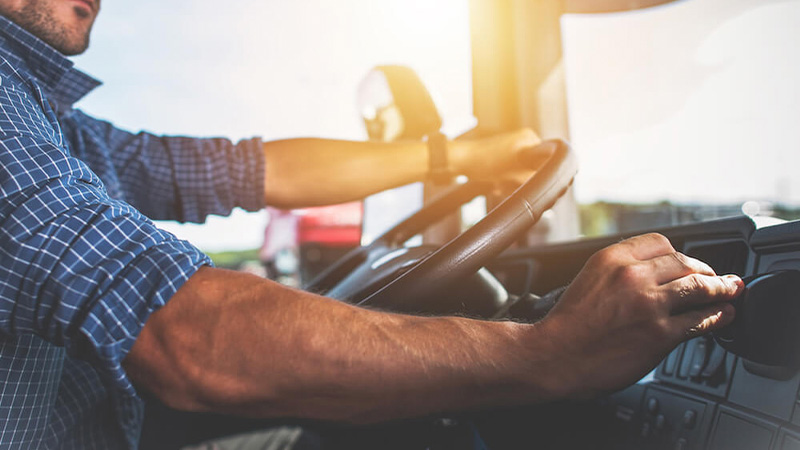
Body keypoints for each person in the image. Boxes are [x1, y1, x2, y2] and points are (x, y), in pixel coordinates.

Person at [0, 0, 743, 449]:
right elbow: (181, 333)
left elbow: (231, 170)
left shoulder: (51, 118)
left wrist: (454, 156)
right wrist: (548, 353)